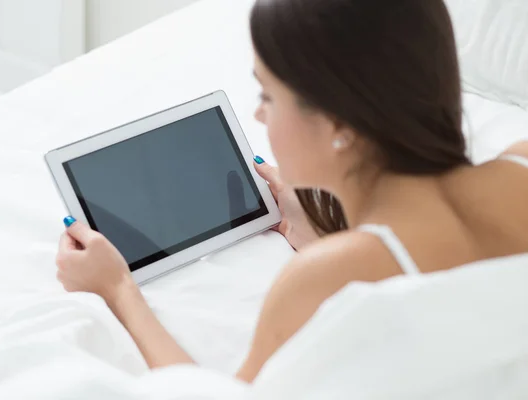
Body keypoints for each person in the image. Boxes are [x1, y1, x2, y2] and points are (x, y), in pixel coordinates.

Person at [55, 0, 528, 383]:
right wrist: (327, 234)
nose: (259, 117)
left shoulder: (318, 281)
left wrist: (116, 288)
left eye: (267, 96)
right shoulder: (521, 161)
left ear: (338, 123)